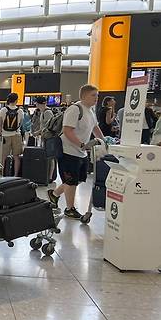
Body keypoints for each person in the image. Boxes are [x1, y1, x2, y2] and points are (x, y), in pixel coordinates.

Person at [47, 85, 106, 219]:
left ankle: (54, 194)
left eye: (97, 95)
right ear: (84, 96)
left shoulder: (90, 111)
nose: (96, 98)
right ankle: (70, 208)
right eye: (93, 95)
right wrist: (81, 144)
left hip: (81, 152)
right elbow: (67, 130)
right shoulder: (75, 109)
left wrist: (104, 141)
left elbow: (95, 127)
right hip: (69, 151)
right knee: (70, 181)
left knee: (78, 179)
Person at [0, 93, 24, 176]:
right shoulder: (20, 111)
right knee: (16, 156)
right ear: (16, 100)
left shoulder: (3, 110)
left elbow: (0, 124)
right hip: (16, 135)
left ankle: (1, 174)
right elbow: (20, 124)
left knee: (3, 156)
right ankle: (15, 175)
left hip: (5, 136)